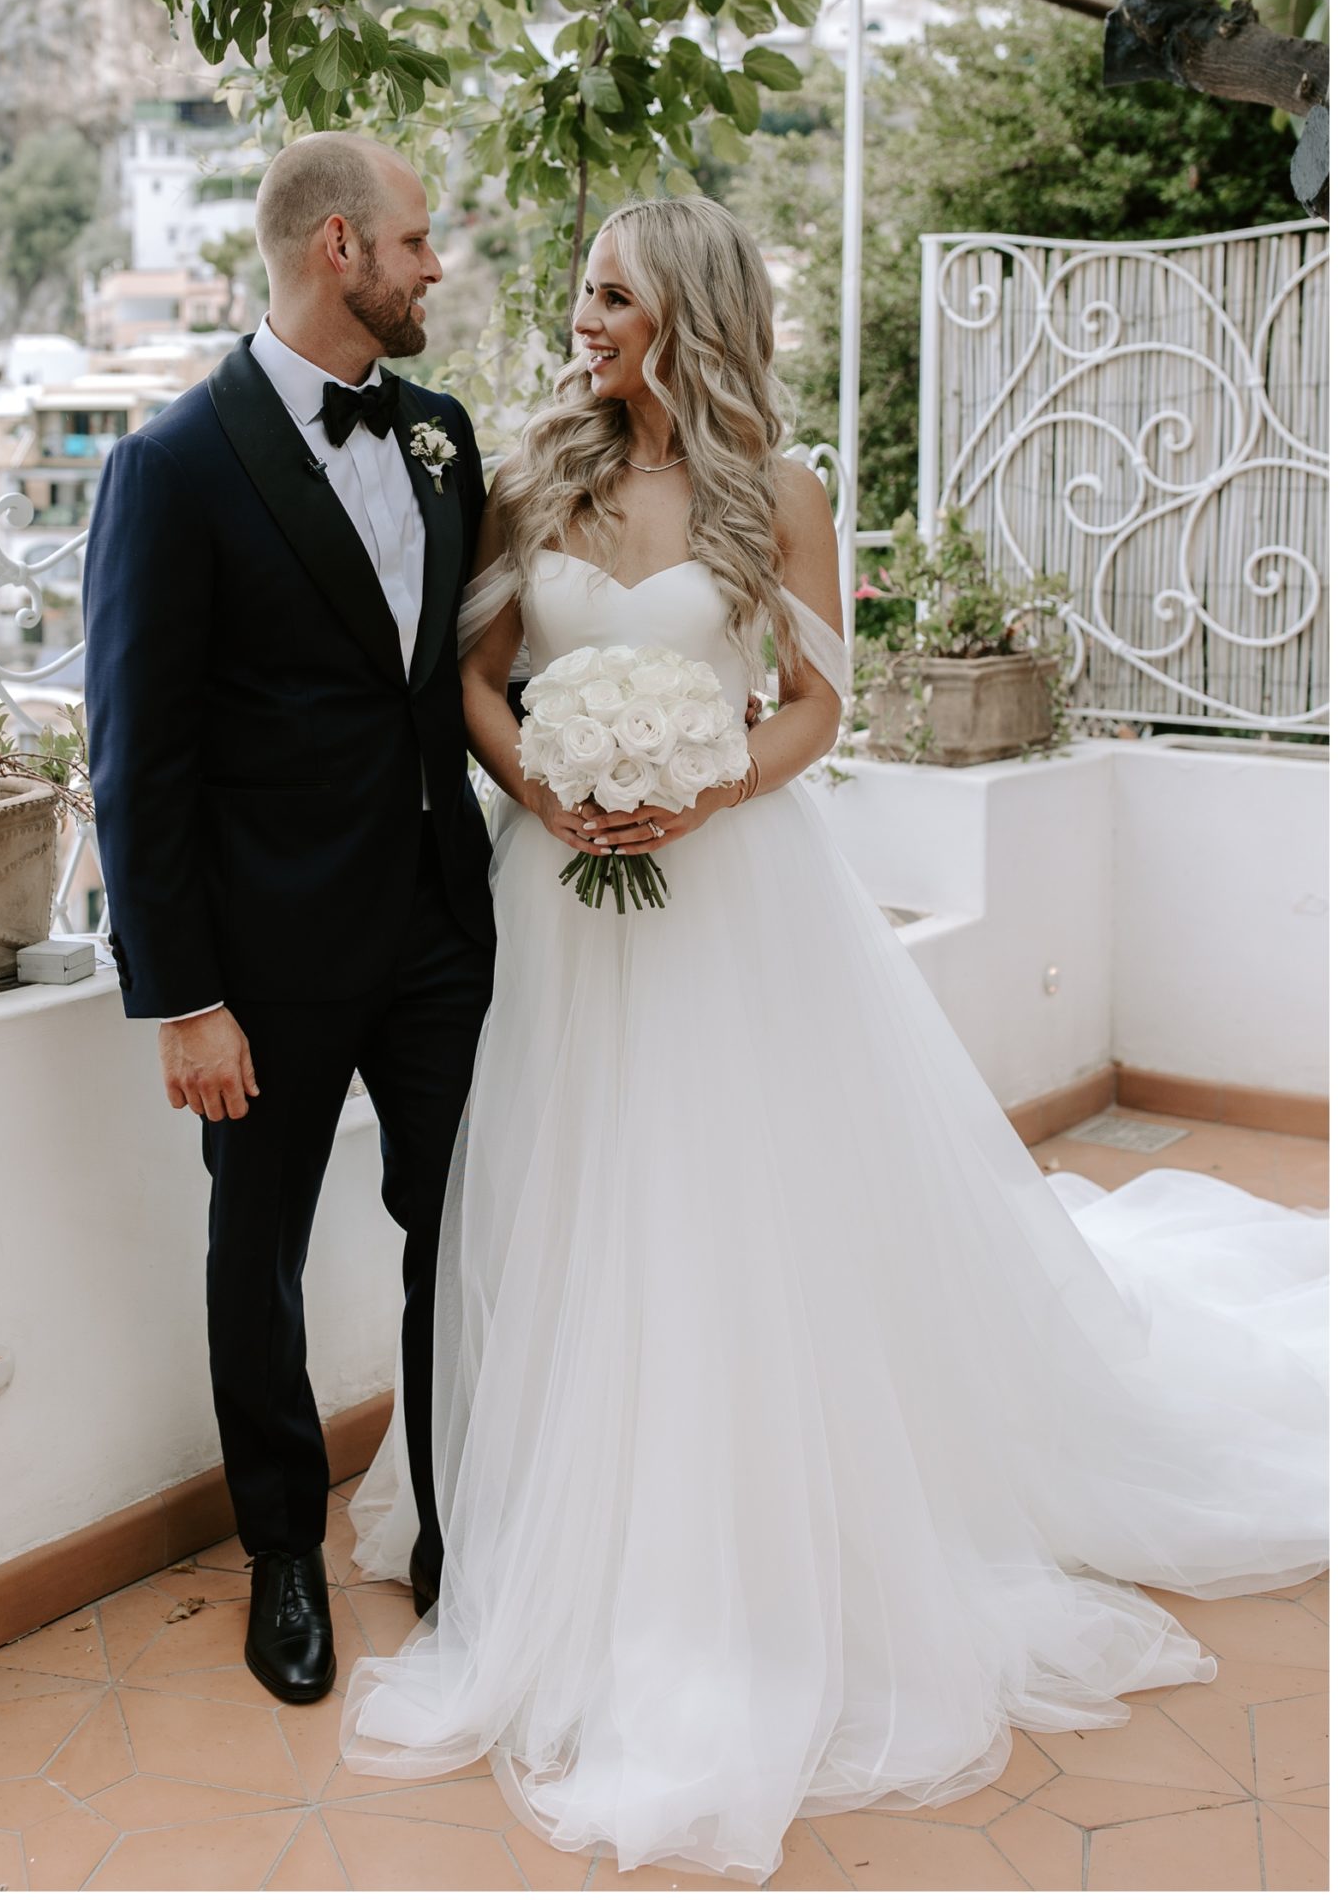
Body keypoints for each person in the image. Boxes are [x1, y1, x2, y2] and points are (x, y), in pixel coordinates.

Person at [337, 194, 1328, 1882]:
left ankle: (733, 1530)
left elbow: (817, 706)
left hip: (733, 900)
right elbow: (480, 678)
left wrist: (698, 785)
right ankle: (559, 1513)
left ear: (691, 314)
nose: (584, 322)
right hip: (557, 905)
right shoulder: (536, 478)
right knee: (566, 1201)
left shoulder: (777, 498)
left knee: (728, 1210)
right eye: (583, 293)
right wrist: (550, 789)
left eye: (612, 297)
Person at [82, 131, 494, 1706]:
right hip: (260, 960)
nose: (432, 264)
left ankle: (457, 1520)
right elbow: (138, 756)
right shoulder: (173, 464)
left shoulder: (443, 433)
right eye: (415, 238)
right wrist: (181, 995)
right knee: (253, 1250)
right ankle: (282, 1560)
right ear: (340, 247)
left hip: (443, 931)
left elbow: (458, 680)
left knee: (461, 1228)